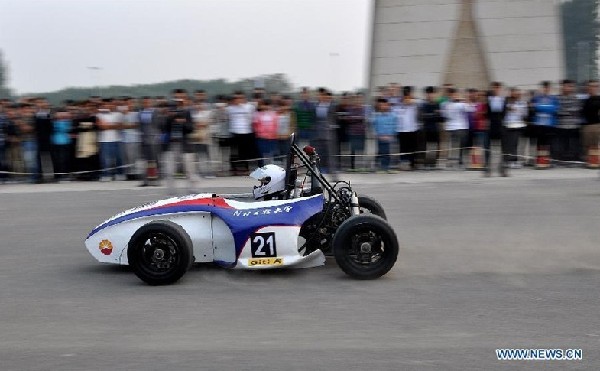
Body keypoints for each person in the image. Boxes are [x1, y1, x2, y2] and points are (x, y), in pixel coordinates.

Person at [227, 91, 256, 175]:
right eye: (236, 98)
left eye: (240, 98)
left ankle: (245, 168)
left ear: (244, 98)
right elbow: (227, 118)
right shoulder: (230, 108)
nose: (238, 100)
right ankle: (233, 169)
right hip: (234, 132)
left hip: (247, 132)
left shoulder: (250, 107)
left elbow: (253, 118)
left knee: (245, 152)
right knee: (234, 152)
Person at [531, 81, 559, 164]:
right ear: (541, 89)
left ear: (550, 89)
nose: (546, 89)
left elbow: (554, 109)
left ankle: (547, 161)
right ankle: (540, 161)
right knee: (539, 144)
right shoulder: (536, 98)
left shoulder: (553, 98)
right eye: (544, 87)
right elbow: (534, 108)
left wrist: (540, 107)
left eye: (547, 88)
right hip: (539, 124)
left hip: (549, 125)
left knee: (548, 144)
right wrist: (546, 108)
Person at [501, 88, 528, 174]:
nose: (516, 95)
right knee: (507, 144)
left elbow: (525, 114)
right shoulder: (505, 102)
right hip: (507, 125)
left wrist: (520, 110)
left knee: (514, 143)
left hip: (517, 125)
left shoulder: (522, 103)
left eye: (518, 93)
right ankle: (506, 161)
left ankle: (513, 160)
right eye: (514, 93)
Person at [97, 98, 124, 181]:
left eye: (110, 104)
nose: (108, 106)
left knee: (118, 158)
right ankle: (106, 175)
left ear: (113, 105)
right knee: (104, 159)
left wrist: (108, 125)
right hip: (104, 140)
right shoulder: (99, 115)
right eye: (106, 105)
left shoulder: (118, 114)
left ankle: (120, 174)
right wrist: (113, 125)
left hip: (116, 139)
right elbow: (102, 126)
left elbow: (120, 126)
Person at [555, 79, 582, 163]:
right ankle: (562, 161)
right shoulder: (557, 98)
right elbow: (557, 110)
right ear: (562, 86)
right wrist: (568, 111)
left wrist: (564, 111)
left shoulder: (576, 98)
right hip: (561, 125)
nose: (570, 88)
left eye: (571, 86)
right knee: (562, 144)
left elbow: (577, 110)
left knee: (573, 144)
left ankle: (574, 160)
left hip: (574, 125)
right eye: (568, 86)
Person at [441, 88, 469, 168]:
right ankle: (450, 161)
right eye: (451, 94)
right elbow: (444, 115)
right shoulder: (445, 104)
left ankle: (458, 161)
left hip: (459, 127)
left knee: (458, 145)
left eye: (454, 94)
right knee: (450, 146)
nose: (453, 96)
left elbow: (469, 109)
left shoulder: (460, 104)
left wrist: (462, 100)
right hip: (450, 127)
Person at [394, 86, 420, 170]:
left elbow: (420, 103)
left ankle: (412, 164)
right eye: (405, 94)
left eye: (408, 94)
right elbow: (396, 115)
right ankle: (403, 164)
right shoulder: (398, 104)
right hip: (402, 130)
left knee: (413, 148)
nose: (406, 97)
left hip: (412, 130)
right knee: (403, 148)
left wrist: (411, 100)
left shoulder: (415, 103)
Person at [418, 86, 443, 169]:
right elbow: (422, 117)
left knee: (435, 146)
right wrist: (433, 115)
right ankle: (426, 163)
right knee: (425, 147)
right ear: (426, 94)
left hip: (435, 128)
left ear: (434, 94)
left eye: (431, 93)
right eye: (428, 93)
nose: (430, 95)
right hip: (426, 129)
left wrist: (432, 115)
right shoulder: (423, 105)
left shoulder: (437, 104)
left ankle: (433, 163)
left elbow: (439, 117)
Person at [371, 98, 396, 172]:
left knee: (386, 152)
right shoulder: (376, 116)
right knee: (382, 151)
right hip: (380, 137)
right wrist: (378, 135)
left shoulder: (392, 116)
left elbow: (393, 126)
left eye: (385, 105)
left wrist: (391, 135)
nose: (383, 107)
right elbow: (374, 126)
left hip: (389, 137)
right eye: (381, 105)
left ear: (388, 106)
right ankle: (383, 166)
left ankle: (384, 166)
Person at [252, 99, 278, 166]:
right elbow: (255, 125)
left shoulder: (274, 114)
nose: (266, 107)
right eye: (264, 105)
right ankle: (260, 173)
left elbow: (276, 125)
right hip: (261, 138)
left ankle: (270, 172)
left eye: (268, 105)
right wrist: (259, 133)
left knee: (270, 155)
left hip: (272, 138)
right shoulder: (257, 115)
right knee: (261, 155)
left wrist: (272, 134)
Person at [581, 79, 600, 163]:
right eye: (591, 86)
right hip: (586, 126)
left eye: (595, 86)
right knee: (587, 146)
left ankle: (596, 162)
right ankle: (590, 162)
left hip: (597, 126)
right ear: (587, 88)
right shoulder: (584, 100)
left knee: (596, 146)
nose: (593, 88)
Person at [51, 108, 73, 181]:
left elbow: (68, 129)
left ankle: (65, 175)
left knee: (65, 159)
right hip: (55, 143)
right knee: (58, 160)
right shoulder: (53, 122)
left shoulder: (68, 121)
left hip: (66, 142)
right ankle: (58, 176)